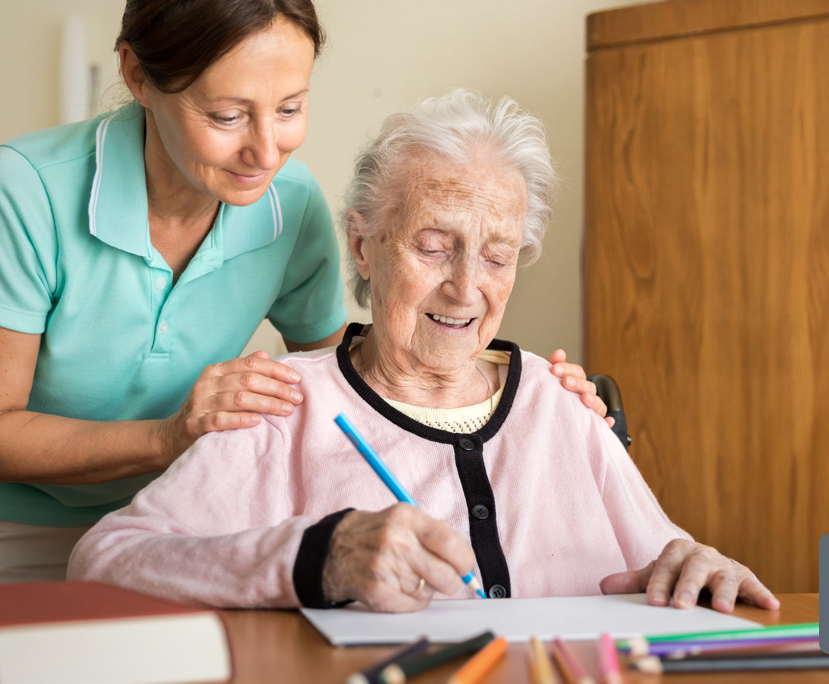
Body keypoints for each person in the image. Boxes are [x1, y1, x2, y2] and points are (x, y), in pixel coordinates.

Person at [0, 1, 602, 589]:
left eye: (290, 107)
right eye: (230, 115)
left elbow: (351, 379)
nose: (266, 151)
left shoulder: (287, 206)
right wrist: (171, 434)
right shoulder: (28, 188)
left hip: (176, 517)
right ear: (137, 76)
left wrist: (518, 391)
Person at [68, 90, 780, 615]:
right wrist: (315, 557)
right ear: (362, 247)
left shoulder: (561, 405)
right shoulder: (286, 403)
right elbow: (103, 561)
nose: (466, 288)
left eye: (497, 256)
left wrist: (696, 561)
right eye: (433, 247)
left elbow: (671, 556)